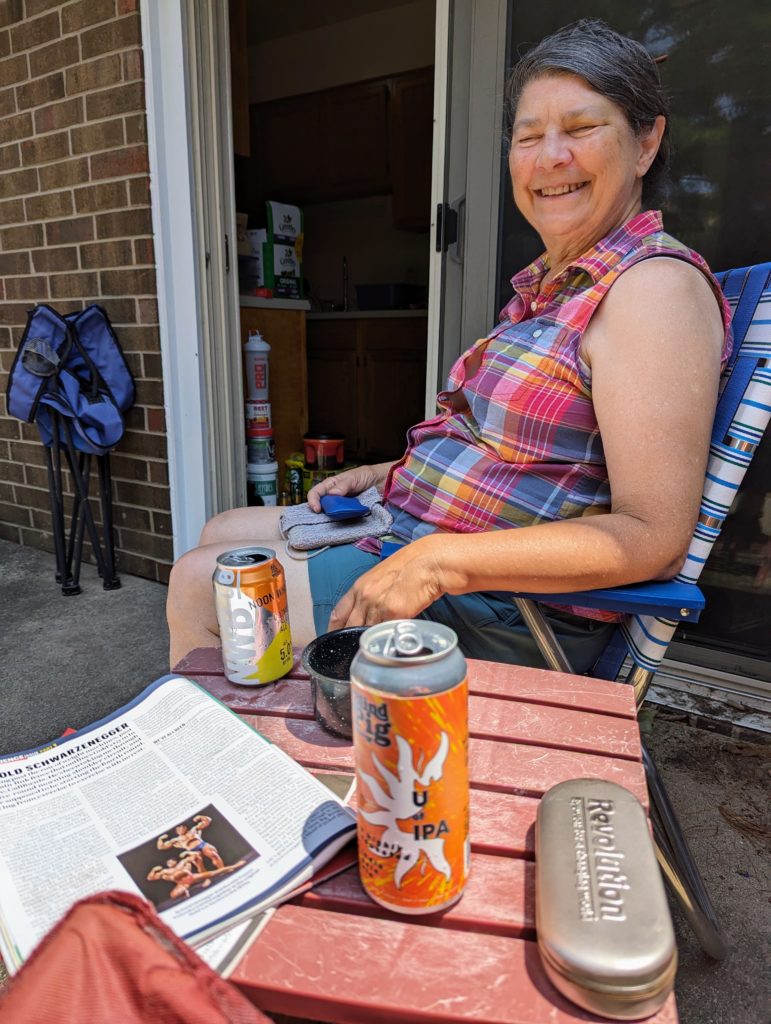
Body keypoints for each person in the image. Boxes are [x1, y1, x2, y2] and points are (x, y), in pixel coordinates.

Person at [167, 19, 732, 673]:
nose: (549, 156)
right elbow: (514, 454)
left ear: (644, 142)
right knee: (223, 532)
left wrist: (437, 559)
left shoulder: (651, 291)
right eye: (527, 136)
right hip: (427, 541)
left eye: (580, 129)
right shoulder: (559, 288)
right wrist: (391, 476)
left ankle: (231, 752)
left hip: (503, 613)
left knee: (199, 582)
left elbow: (651, 539)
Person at [156, 814, 224, 872]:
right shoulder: (176, 840)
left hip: (202, 845)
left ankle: (223, 870)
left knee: (213, 855)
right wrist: (160, 839)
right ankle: (206, 877)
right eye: (178, 829)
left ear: (185, 827)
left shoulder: (193, 830)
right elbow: (161, 847)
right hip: (192, 851)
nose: (181, 829)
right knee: (199, 865)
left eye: (182, 827)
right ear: (176, 831)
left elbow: (208, 820)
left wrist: (200, 816)